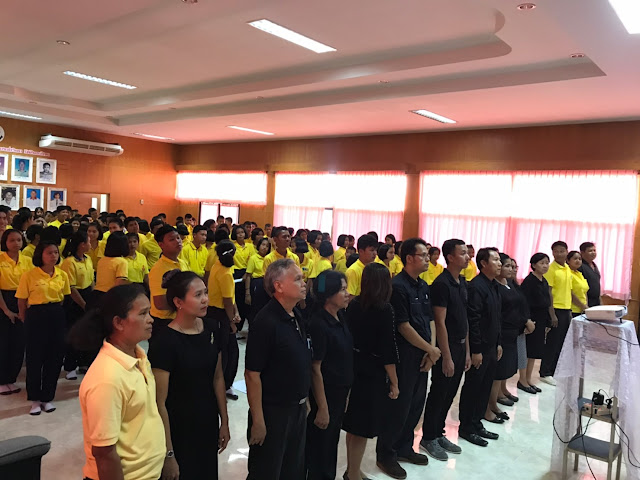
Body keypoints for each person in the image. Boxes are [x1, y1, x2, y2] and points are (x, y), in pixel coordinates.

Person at [71, 285, 166, 480]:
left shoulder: (139, 356)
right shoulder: (107, 378)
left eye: (149, 312)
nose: (151, 319)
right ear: (119, 323)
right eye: (143, 314)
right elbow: (104, 453)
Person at [149, 271, 230, 479]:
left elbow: (217, 377)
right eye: (198, 295)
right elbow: (159, 403)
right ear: (178, 302)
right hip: (180, 427)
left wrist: (224, 421)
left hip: (207, 420)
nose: (205, 299)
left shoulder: (211, 328)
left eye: (206, 293)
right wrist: (168, 453)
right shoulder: (164, 342)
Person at [376, 238, 441, 479]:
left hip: (423, 354)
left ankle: (404, 447)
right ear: (410, 258)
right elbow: (403, 326)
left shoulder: (423, 286)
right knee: (398, 407)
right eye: (423, 255)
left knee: (415, 404)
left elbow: (430, 320)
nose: (427, 259)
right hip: (405, 356)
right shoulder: (398, 286)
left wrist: (431, 350)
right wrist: (430, 349)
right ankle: (386, 454)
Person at [245, 259, 311, 480]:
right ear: (279, 286)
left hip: (296, 408)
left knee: (292, 469)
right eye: (298, 279)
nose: (304, 284)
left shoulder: (295, 315)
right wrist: (258, 420)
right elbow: (252, 374)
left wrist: (304, 397)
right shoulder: (265, 322)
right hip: (273, 412)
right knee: (267, 470)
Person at [343, 263, 399, 480]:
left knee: (353, 425)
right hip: (372, 373)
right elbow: (388, 351)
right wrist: (394, 382)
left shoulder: (355, 304)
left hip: (354, 366)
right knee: (362, 428)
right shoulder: (385, 310)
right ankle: (353, 474)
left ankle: (353, 469)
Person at [420, 239, 470, 461]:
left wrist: (466, 351)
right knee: (439, 391)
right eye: (462, 253)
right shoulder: (441, 284)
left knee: (450, 392)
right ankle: (428, 437)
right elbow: (440, 322)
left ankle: (439, 432)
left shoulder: (462, 282)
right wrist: (447, 356)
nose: (467, 257)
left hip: (460, 346)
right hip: (446, 348)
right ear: (450, 257)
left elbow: (464, 319)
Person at [305, 270, 353, 480]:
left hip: (339, 393)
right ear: (328, 295)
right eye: (342, 289)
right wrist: (323, 408)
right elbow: (315, 368)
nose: (347, 293)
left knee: (331, 444)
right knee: (320, 449)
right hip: (325, 395)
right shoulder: (318, 324)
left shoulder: (340, 316)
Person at [16, 242, 71, 415]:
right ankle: (34, 399)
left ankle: (47, 397)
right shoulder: (29, 275)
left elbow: (64, 298)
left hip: (56, 314)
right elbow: (21, 300)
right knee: (35, 358)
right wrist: (24, 318)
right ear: (41, 255)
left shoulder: (62, 274)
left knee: (54, 357)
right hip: (35, 315)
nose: (53, 256)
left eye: (55, 252)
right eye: (49, 253)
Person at [458, 247, 502, 447]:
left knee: (485, 387)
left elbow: (496, 318)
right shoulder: (476, 286)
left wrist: (498, 342)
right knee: (473, 387)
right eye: (495, 260)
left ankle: (477, 423)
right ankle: (467, 427)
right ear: (483, 263)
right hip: (480, 348)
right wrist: (475, 350)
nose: (499, 264)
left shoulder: (493, 285)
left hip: (491, 346)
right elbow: (473, 321)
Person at [485, 254, 535, 423]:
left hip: (513, 332)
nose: (509, 269)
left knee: (505, 370)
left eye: (512, 266)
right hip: (502, 333)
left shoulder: (509, 284)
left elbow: (519, 305)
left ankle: (496, 399)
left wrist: (525, 321)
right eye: (506, 266)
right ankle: (491, 405)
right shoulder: (495, 286)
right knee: (497, 372)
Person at [207, 240, 241, 401]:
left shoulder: (218, 265)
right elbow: (227, 301)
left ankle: (224, 384)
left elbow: (230, 297)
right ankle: (222, 385)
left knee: (228, 350)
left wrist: (236, 312)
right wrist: (232, 322)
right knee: (226, 352)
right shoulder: (225, 273)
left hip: (218, 313)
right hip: (220, 315)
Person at [0, 229, 33, 395]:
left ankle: (11, 378)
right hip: (4, 302)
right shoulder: (0, 259)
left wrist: (25, 308)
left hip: (23, 301)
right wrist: (6, 310)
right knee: (3, 343)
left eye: (19, 240)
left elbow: (32, 283)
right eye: (12, 240)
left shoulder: (27, 260)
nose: (16, 243)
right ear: (5, 242)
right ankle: (1, 380)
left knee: (19, 343)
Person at [60, 231, 95, 380]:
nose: (90, 244)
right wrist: (83, 305)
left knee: (86, 333)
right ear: (81, 245)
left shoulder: (88, 259)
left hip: (87, 296)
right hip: (74, 301)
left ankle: (83, 362)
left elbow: (91, 280)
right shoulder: (69, 262)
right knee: (73, 333)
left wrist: (92, 299)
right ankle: (70, 367)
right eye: (88, 241)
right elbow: (71, 288)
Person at [541, 241, 572, 386]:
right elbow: (549, 293)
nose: (559, 254)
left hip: (566, 309)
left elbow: (568, 291)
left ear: (567, 251)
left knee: (561, 342)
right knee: (552, 342)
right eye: (556, 251)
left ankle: (554, 370)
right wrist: (552, 314)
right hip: (555, 309)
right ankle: (545, 372)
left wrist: (569, 310)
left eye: (562, 251)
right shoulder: (551, 269)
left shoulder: (567, 267)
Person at [519, 253, 551, 394]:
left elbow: (547, 302)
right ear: (533, 265)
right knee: (527, 351)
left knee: (534, 352)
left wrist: (547, 322)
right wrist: (527, 320)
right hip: (531, 320)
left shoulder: (544, 281)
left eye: (547, 263)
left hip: (541, 319)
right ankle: (522, 380)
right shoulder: (529, 281)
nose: (545, 266)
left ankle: (528, 379)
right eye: (542, 263)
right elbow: (523, 303)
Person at [148, 225, 186, 338]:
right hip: (164, 322)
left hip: (181, 318)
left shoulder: (182, 263)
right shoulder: (159, 269)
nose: (177, 241)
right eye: (172, 239)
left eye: (178, 238)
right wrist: (186, 305)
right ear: (161, 245)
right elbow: (160, 303)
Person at [94, 232, 129, 304]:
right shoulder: (122, 262)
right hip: (111, 295)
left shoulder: (102, 260)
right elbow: (120, 282)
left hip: (97, 294)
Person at [244, 237, 271, 324]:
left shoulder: (269, 258)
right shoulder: (253, 258)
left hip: (268, 284)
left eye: (267, 246)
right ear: (259, 246)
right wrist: (247, 293)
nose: (264, 247)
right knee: (256, 308)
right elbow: (248, 276)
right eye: (263, 245)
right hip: (257, 284)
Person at [231, 225, 253, 336]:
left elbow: (252, 260)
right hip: (235, 274)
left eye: (242, 232)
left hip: (248, 273)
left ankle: (246, 326)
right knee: (237, 300)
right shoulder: (232, 246)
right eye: (238, 233)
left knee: (247, 302)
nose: (240, 234)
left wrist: (247, 273)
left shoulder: (250, 246)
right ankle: (236, 327)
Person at [578, 242, 601, 307]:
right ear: (582, 253)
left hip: (596, 301)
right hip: (585, 302)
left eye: (594, 250)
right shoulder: (579, 266)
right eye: (590, 251)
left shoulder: (594, 265)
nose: (593, 253)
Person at [568, 251, 589, 316]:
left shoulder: (580, 274)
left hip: (583, 309)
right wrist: (582, 306)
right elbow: (570, 293)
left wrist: (586, 306)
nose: (578, 261)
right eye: (575, 259)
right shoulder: (568, 273)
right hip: (573, 310)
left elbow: (584, 291)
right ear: (568, 260)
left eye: (580, 259)